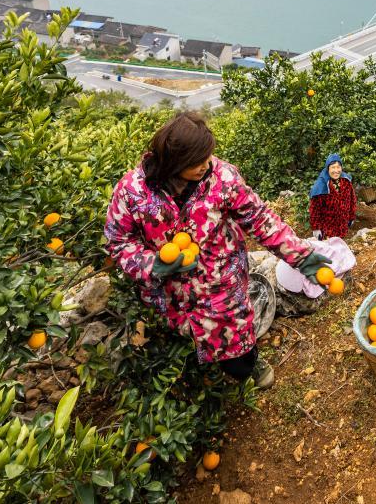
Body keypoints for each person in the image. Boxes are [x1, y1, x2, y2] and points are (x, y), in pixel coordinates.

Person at [104, 112, 331, 389]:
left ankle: (247, 365)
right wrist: (152, 265)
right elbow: (118, 241)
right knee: (184, 341)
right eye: (196, 162)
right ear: (174, 161)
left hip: (221, 281)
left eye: (207, 157)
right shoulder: (132, 191)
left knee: (236, 340)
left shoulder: (223, 178)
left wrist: (302, 256)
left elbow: (260, 219)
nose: (205, 165)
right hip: (169, 291)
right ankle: (203, 374)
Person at [308, 154, 357, 240]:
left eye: (338, 167)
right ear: (328, 168)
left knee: (340, 248)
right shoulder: (321, 186)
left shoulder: (346, 182)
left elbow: (352, 201)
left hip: (342, 226)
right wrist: (316, 228)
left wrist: (351, 217)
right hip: (327, 229)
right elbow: (314, 209)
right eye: (333, 167)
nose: (336, 170)